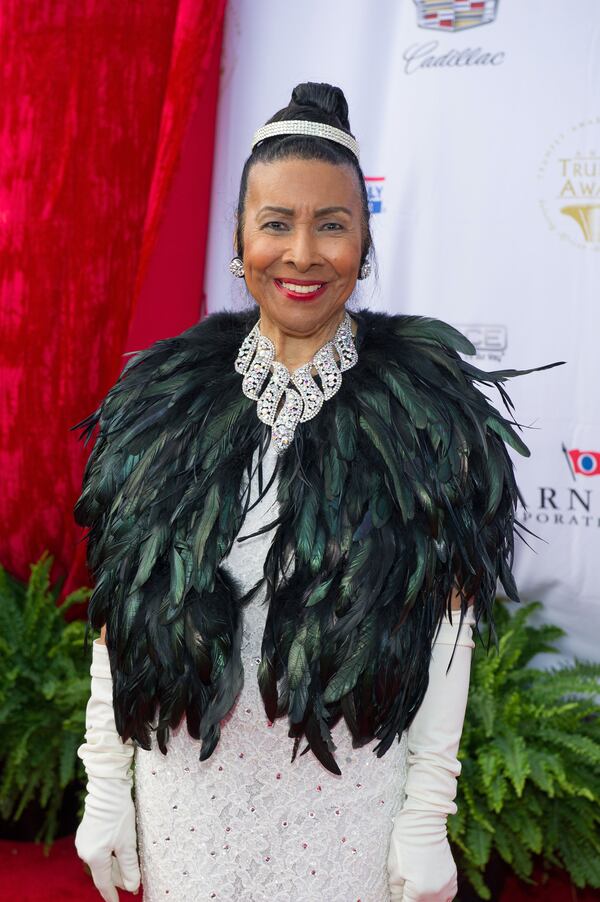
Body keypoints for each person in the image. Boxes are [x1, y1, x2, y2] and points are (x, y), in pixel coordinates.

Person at [71, 82, 561, 902]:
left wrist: (424, 817)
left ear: (365, 244)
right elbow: (119, 614)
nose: (302, 253)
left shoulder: (428, 417)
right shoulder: (160, 406)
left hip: (347, 805)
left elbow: (448, 626)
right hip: (187, 800)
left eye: (331, 225)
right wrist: (104, 785)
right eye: (276, 223)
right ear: (239, 239)